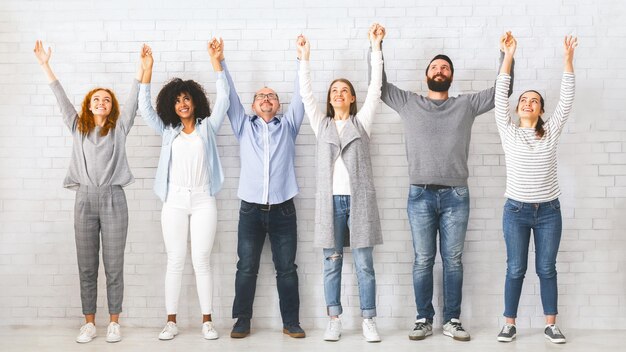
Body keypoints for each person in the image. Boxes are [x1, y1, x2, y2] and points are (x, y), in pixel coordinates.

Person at [369, 24, 515, 341]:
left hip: (456, 196)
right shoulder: (408, 102)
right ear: (427, 76)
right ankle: (423, 318)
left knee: (453, 261)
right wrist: (377, 46)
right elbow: (377, 87)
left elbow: (501, 92)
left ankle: (452, 320)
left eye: (445, 67)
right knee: (423, 259)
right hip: (419, 195)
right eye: (435, 66)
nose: (440, 69)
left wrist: (505, 55)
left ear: (450, 75)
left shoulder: (466, 104)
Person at [33, 40, 145, 343]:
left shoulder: (119, 128)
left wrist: (142, 69)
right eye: (96, 98)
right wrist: (45, 64)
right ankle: (89, 322)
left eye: (106, 99)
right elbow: (60, 98)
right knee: (86, 264)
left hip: (114, 198)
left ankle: (113, 322)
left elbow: (134, 101)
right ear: (88, 104)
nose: (101, 101)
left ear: (111, 107)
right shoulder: (77, 126)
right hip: (84, 199)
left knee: (114, 264)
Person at [297, 25, 384, 342]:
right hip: (330, 203)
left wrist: (376, 48)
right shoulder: (321, 125)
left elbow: (376, 88)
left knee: (364, 265)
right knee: (331, 263)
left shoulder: (362, 123)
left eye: (344, 90)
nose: (338, 94)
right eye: (334, 90)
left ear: (352, 97)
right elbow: (306, 96)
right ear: (330, 98)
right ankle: (334, 318)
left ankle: (369, 320)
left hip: (358, 202)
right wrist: (305, 59)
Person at [138, 38, 229, 341]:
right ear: (172, 106)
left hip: (204, 198)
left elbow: (225, 98)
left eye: (187, 99)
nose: (183, 104)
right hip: (174, 201)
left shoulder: (207, 128)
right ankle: (171, 321)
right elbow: (144, 109)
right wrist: (147, 70)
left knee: (201, 260)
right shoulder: (168, 132)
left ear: (195, 102)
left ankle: (207, 321)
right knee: (175, 259)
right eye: (177, 100)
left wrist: (217, 61)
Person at [494, 33, 577, 344]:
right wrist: (509, 55)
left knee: (546, 268)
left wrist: (568, 61)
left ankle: (551, 324)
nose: (528, 103)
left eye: (535, 101)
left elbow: (566, 99)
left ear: (541, 110)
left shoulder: (550, 131)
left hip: (549, 212)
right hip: (515, 211)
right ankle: (509, 323)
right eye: (524, 100)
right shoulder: (509, 132)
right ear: (518, 110)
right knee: (515, 268)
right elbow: (499, 96)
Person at [221, 38, 306, 339]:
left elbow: (301, 94)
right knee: (246, 267)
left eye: (271, 95)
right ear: (254, 105)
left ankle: (291, 322)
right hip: (250, 210)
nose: (267, 98)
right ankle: (242, 320)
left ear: (278, 104)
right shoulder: (244, 126)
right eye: (261, 96)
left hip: (284, 209)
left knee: (287, 269)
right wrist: (220, 63)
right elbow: (229, 96)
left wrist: (301, 59)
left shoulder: (290, 125)